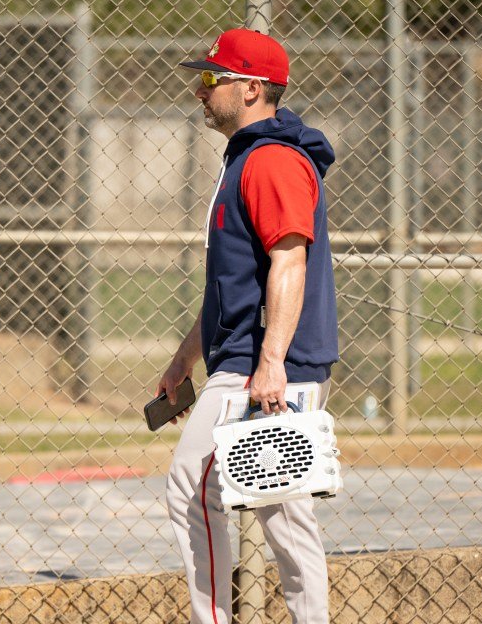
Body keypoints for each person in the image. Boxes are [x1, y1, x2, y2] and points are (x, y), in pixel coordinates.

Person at [157, 28, 339, 624]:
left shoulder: (271, 161)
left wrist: (271, 363)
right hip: (255, 360)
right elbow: (233, 284)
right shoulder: (249, 158)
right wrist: (186, 357)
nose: (200, 89)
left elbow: (290, 261)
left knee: (191, 487)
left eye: (213, 78)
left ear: (252, 89)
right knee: (283, 514)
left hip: (261, 366)